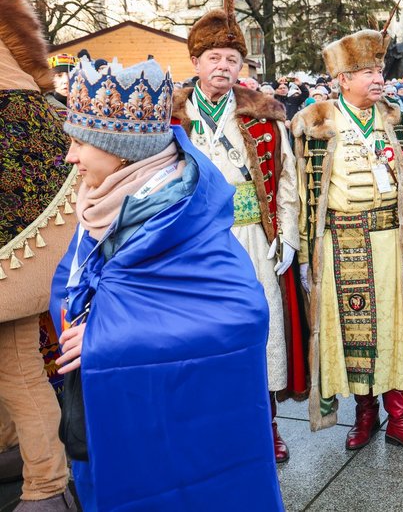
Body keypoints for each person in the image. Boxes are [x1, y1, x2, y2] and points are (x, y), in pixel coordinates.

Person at [52, 57, 282, 511]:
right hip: (114, 408)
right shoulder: (101, 198)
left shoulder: (181, 210)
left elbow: (242, 316)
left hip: (178, 431)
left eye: (80, 143)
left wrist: (110, 337)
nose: (70, 157)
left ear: (120, 149)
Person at [291, 24, 403, 457]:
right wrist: (306, 254)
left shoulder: (397, 120)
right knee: (354, 334)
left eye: (379, 69)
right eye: (366, 71)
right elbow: (305, 195)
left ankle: (401, 419)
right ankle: (364, 413)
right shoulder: (317, 124)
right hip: (341, 245)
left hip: (391, 243)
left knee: (396, 328)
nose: (379, 78)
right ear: (342, 79)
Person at [171, 0, 304, 464]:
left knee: (258, 326)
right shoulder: (171, 117)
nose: (223, 67)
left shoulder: (263, 116)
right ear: (196, 63)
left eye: (232, 60)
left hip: (251, 236)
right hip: (188, 241)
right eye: (214, 59)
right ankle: (208, 424)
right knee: (200, 331)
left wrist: (287, 235)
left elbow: (287, 180)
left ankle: (264, 424)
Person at [0, 0, 74, 512]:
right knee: (14, 362)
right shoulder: (38, 106)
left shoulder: (17, 115)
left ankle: (47, 482)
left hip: (15, 260)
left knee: (18, 364)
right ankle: (15, 451)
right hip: (25, 260)